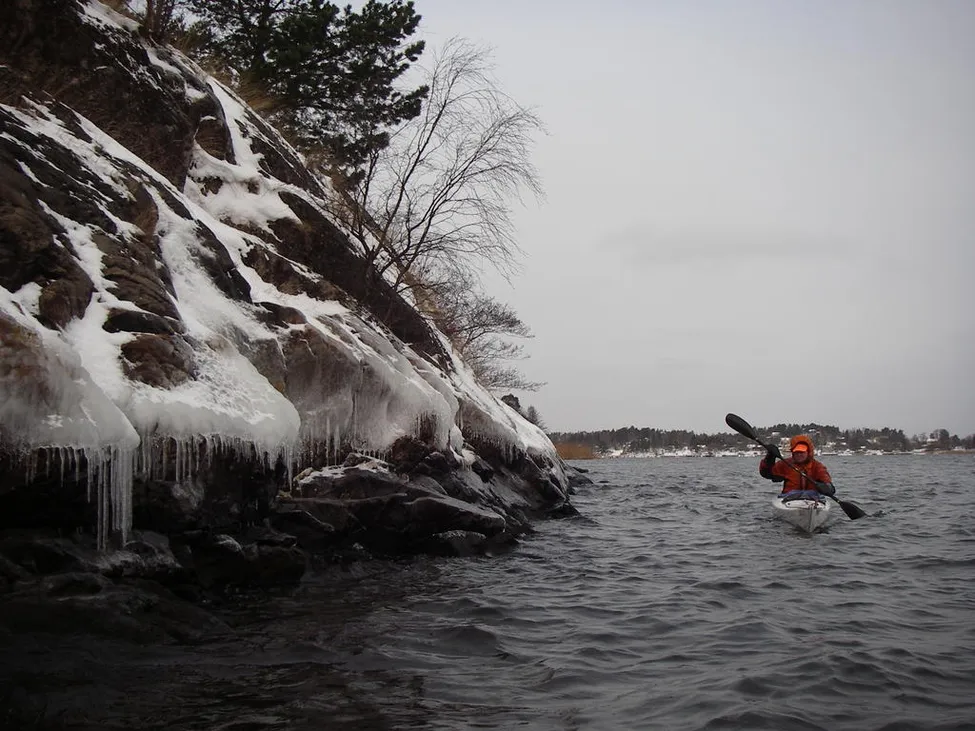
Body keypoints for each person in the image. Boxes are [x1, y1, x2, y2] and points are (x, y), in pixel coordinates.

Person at [759, 434, 835, 500]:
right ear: (793, 452)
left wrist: (827, 487)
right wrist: (769, 458)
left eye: (802, 452)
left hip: (813, 500)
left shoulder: (817, 466)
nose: (799, 455)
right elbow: (767, 473)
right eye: (796, 452)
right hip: (789, 500)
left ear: (808, 452)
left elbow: (826, 480)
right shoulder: (786, 464)